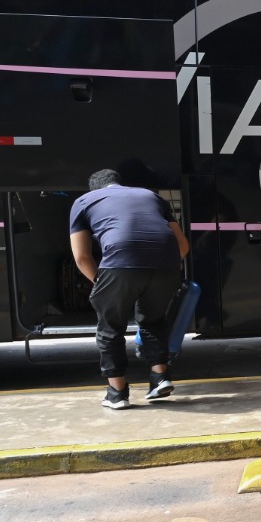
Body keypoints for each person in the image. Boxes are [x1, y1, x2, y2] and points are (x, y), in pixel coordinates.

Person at [68, 169, 190, 409]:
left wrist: (100, 282)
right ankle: (160, 378)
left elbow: (82, 257)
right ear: (119, 183)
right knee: (153, 320)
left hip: (119, 264)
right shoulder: (151, 196)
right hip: (166, 267)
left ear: (95, 189)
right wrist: (165, 269)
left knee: (110, 327)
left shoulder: (83, 202)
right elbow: (182, 245)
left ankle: (117, 392)